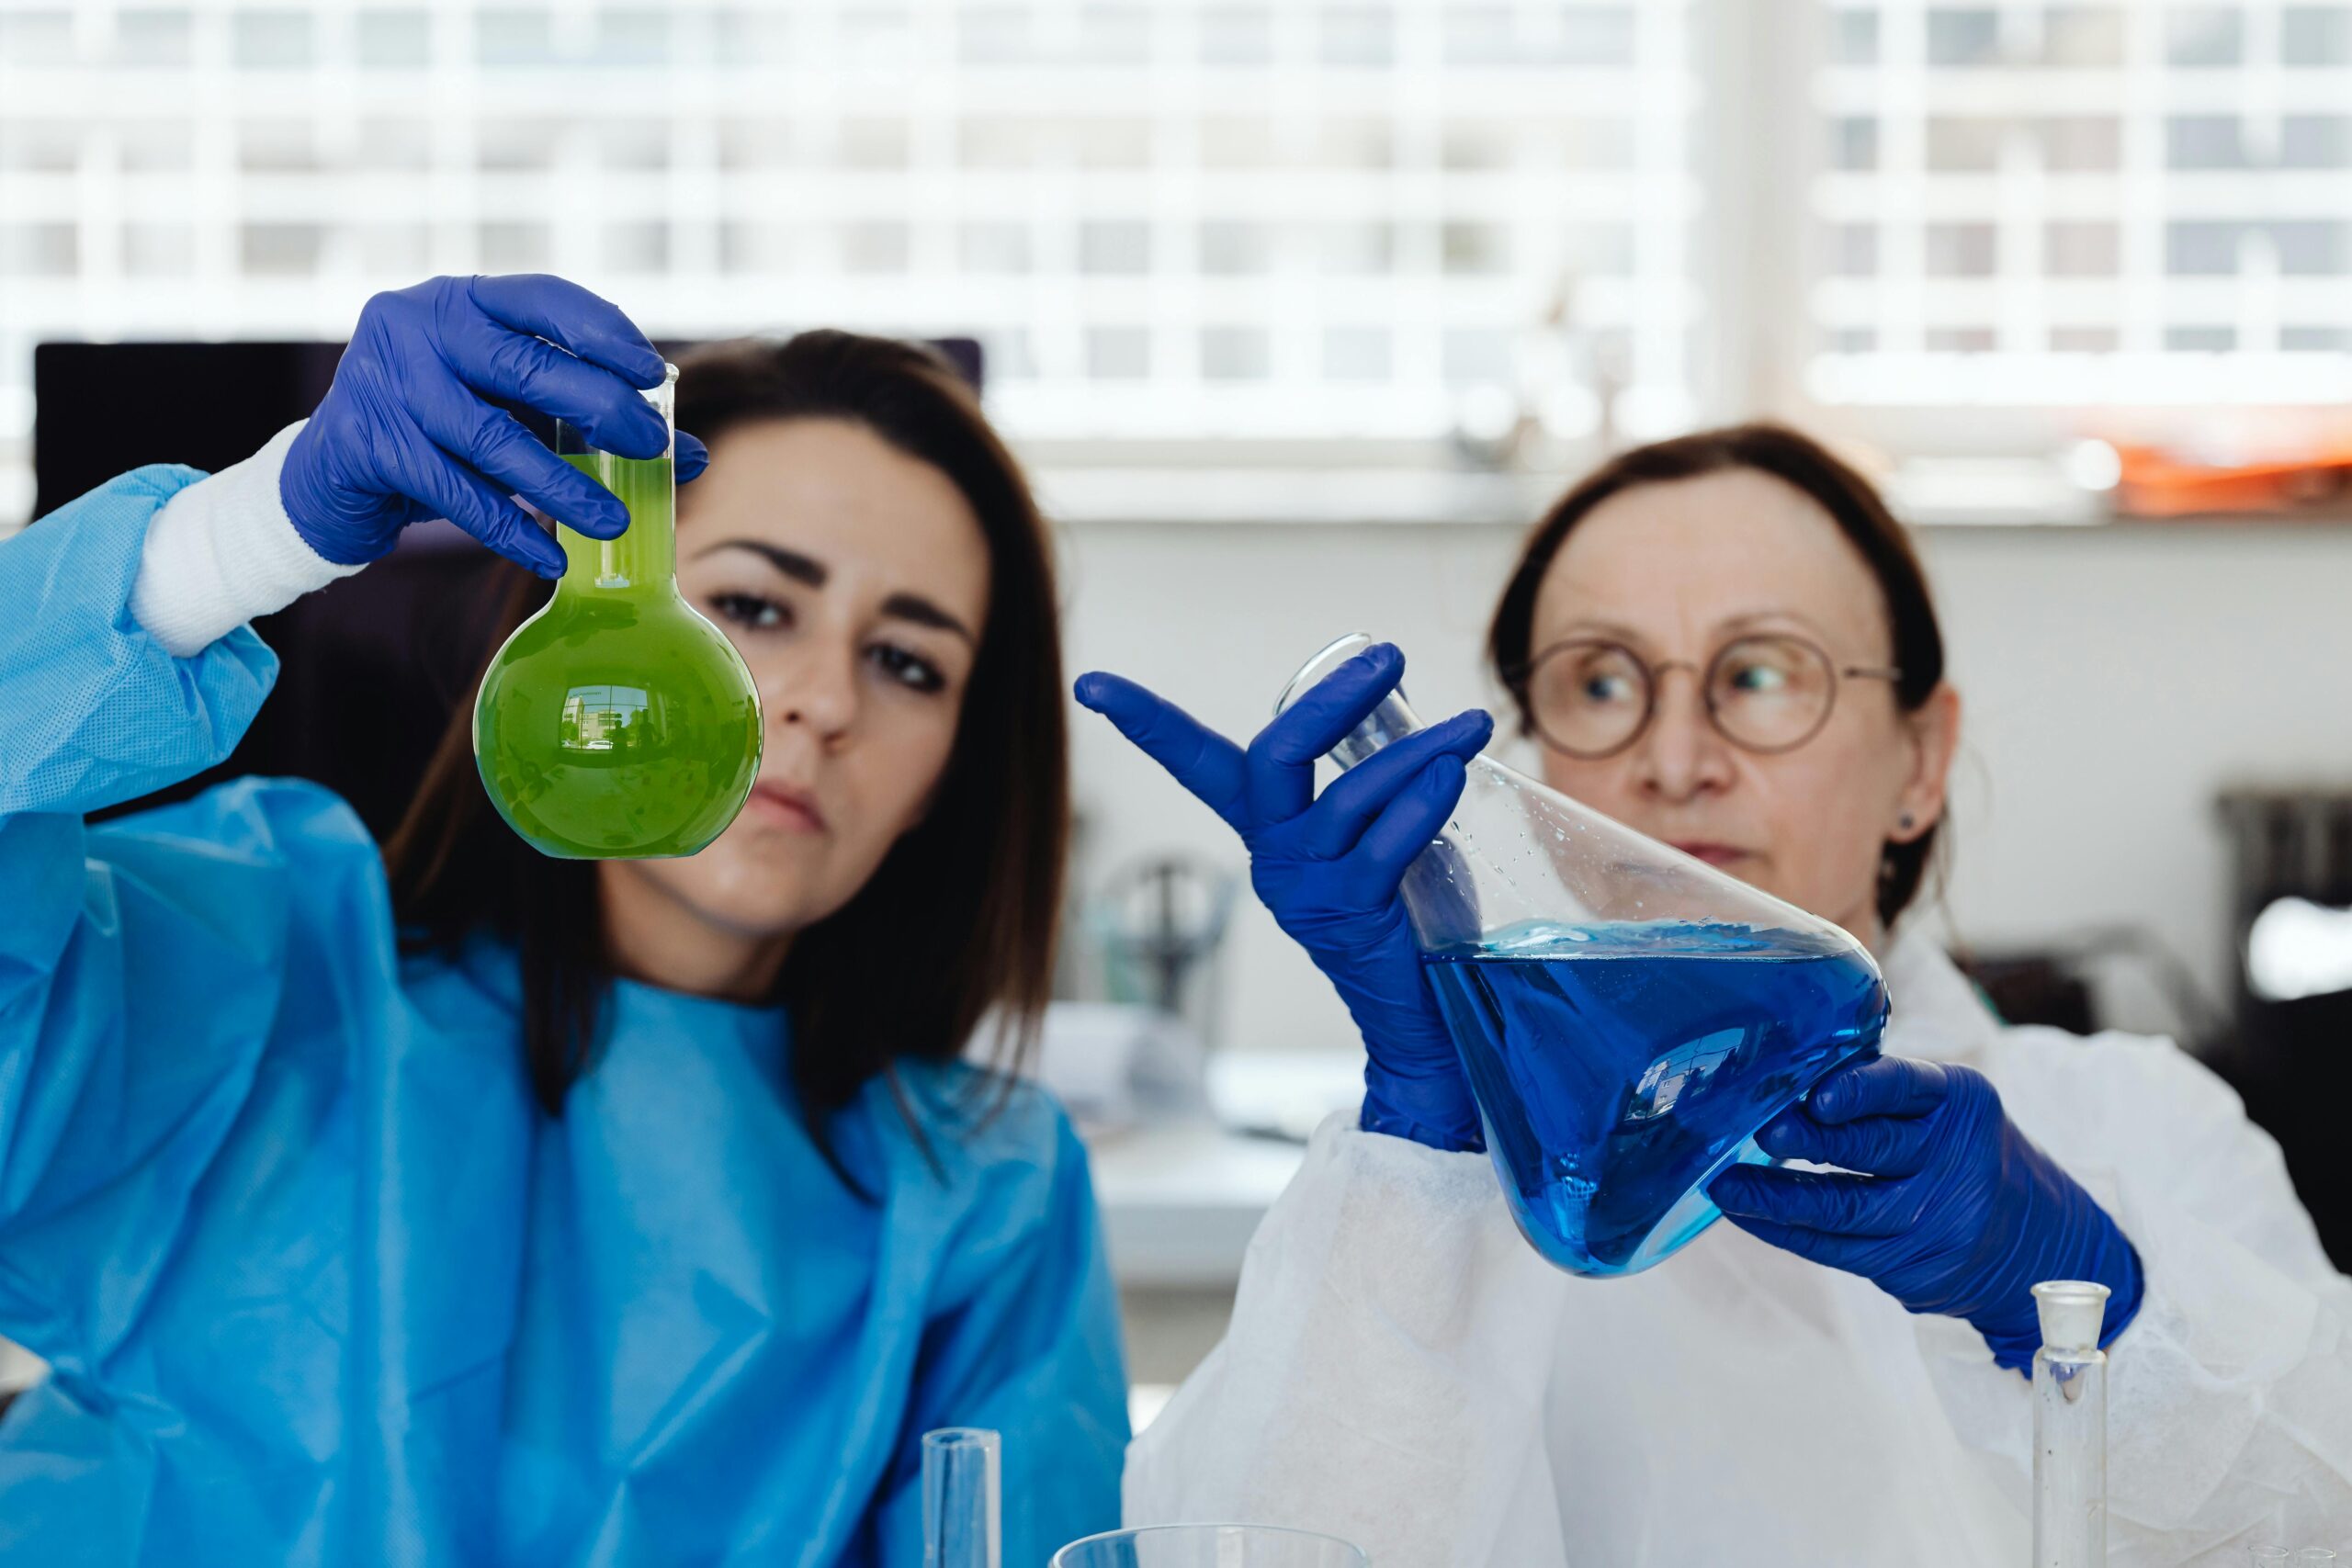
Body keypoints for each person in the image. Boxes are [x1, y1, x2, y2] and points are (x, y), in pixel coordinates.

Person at [0, 275, 1126, 1565]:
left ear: (952, 777)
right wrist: (231, 543)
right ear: (565, 624)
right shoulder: (261, 974)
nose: (820, 702)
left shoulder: (984, 1197)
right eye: (757, 605)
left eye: (909, 663)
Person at [1082, 425, 2352, 1565]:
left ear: (1921, 761)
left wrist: (2087, 1302)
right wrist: (1427, 1145)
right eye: (1599, 684)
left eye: (1758, 677)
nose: (1675, 761)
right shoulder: (1462, 1197)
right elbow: (1244, 1550)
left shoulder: (2146, 1126)